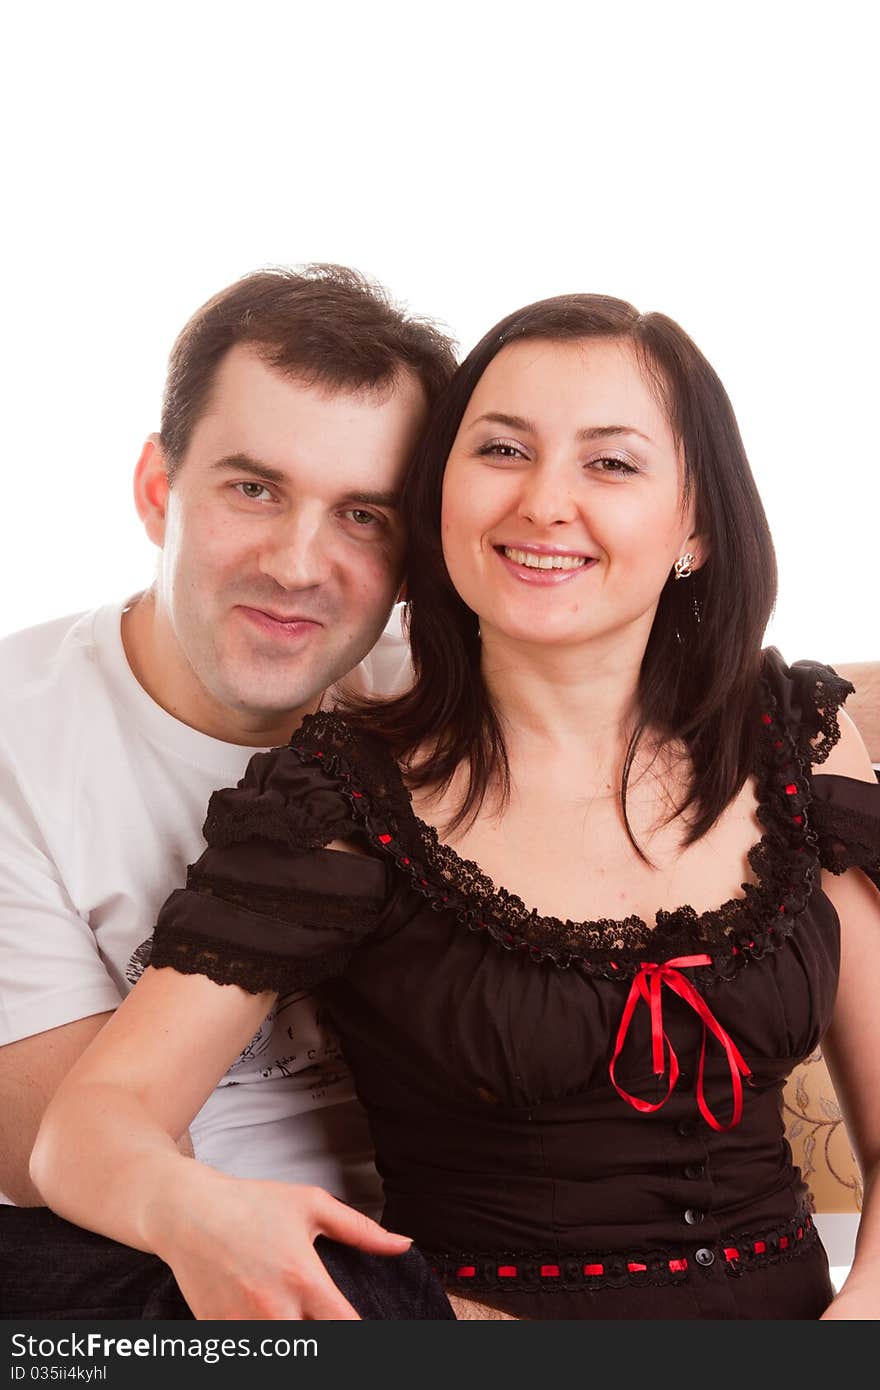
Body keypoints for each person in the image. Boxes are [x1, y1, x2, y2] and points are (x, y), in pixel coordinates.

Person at [32, 293, 880, 1320]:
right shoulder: (341, 795)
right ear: (440, 502)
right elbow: (88, 1128)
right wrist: (199, 1211)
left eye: (608, 463)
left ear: (694, 523)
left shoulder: (795, 738)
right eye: (502, 451)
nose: (543, 503)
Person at [0, 264, 458, 1319]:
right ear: (158, 491)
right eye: (254, 489)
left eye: (362, 515)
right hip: (127, 1249)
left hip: (417, 1240)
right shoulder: (24, 739)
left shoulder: (439, 711)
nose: (299, 564)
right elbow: (50, 1161)